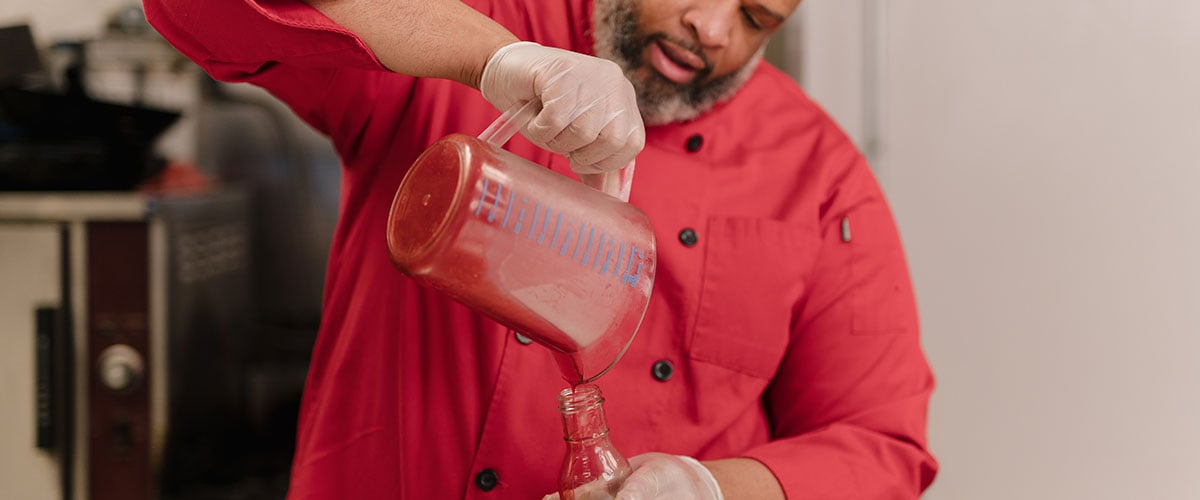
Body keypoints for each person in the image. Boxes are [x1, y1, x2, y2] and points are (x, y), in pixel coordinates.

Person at [144, 0, 938, 498]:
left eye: (759, 18)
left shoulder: (819, 175)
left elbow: (881, 446)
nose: (715, 28)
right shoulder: (478, 22)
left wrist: (709, 489)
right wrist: (490, 56)